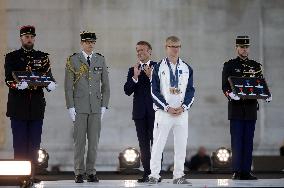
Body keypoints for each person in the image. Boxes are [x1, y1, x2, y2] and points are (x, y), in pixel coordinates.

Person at [4, 25, 57, 167]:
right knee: (20, 143)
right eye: (26, 37)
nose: (29, 39)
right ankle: (21, 176)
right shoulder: (12, 57)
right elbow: (8, 79)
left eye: (32, 37)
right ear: (21, 38)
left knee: (34, 144)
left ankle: (32, 175)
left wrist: (51, 84)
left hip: (36, 107)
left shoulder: (42, 57)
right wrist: (17, 85)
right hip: (18, 106)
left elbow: (48, 76)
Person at [222, 36, 272, 180]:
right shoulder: (229, 65)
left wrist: (266, 94)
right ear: (237, 48)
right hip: (236, 108)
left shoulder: (256, 66)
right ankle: (237, 171)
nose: (244, 49)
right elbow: (224, 86)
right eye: (241, 47)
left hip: (250, 108)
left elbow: (260, 83)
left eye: (246, 47)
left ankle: (246, 171)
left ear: (249, 48)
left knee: (249, 141)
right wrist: (231, 94)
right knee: (237, 140)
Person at [64, 31, 110, 183]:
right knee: (79, 142)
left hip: (96, 107)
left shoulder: (100, 59)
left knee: (94, 142)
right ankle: (78, 172)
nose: (90, 44)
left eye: (92, 42)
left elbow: (106, 86)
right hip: (79, 107)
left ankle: (91, 172)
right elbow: (68, 86)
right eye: (87, 42)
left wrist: (104, 106)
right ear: (82, 43)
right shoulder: (73, 60)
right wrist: (70, 107)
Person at [148, 36, 195, 184]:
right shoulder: (158, 67)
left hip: (181, 113)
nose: (175, 49)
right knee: (158, 144)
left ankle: (178, 175)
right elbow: (154, 91)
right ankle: (154, 175)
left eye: (178, 46)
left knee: (181, 145)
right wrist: (166, 107)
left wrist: (184, 107)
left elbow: (191, 91)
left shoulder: (187, 68)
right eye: (172, 46)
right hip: (164, 113)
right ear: (166, 47)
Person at [124, 41, 156, 182]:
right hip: (139, 114)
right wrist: (135, 77)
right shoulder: (133, 69)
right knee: (143, 145)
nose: (139, 52)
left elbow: (163, 88)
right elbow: (127, 91)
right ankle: (147, 173)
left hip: (155, 113)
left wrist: (151, 77)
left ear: (150, 51)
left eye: (142, 50)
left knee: (156, 144)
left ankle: (155, 174)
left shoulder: (158, 67)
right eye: (137, 50)